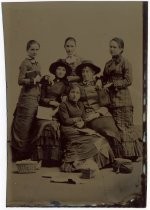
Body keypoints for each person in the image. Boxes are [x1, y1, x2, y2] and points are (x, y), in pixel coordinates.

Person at [102, 37, 142, 160]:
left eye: (114, 47)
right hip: (111, 100)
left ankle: (135, 154)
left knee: (126, 127)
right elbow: (104, 78)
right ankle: (123, 155)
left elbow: (128, 80)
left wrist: (113, 84)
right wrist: (101, 81)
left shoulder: (126, 62)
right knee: (117, 128)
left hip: (123, 99)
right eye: (110, 46)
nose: (112, 49)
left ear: (121, 49)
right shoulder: (108, 64)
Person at [58, 84, 114, 172]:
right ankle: (79, 163)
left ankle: (92, 162)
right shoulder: (63, 105)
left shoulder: (80, 104)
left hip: (80, 129)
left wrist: (82, 123)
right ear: (68, 93)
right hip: (68, 129)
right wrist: (77, 120)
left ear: (80, 95)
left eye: (77, 93)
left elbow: (84, 118)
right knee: (91, 141)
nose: (75, 95)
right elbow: (65, 121)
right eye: (72, 92)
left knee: (100, 139)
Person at [75, 60, 123, 158]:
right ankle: (108, 157)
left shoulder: (99, 85)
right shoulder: (78, 86)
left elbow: (105, 104)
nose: (85, 74)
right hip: (88, 115)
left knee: (111, 129)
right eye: (83, 71)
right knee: (101, 130)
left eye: (87, 71)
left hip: (102, 113)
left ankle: (118, 157)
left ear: (93, 73)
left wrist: (97, 114)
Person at [31, 60, 72, 166]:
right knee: (41, 125)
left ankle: (52, 159)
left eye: (63, 70)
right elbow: (41, 98)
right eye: (59, 69)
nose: (61, 71)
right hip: (44, 109)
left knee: (51, 126)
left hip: (56, 111)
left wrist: (57, 104)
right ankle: (39, 159)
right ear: (55, 70)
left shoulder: (66, 86)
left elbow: (64, 102)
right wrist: (50, 101)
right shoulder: (47, 81)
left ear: (66, 72)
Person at [11, 40, 42, 161]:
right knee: (23, 126)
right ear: (27, 50)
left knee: (31, 125)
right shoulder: (24, 63)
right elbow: (20, 80)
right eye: (32, 49)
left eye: (36, 50)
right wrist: (33, 81)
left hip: (35, 97)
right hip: (26, 98)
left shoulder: (38, 64)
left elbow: (38, 80)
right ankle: (19, 154)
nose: (34, 52)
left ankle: (27, 153)